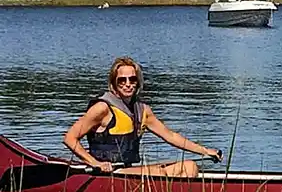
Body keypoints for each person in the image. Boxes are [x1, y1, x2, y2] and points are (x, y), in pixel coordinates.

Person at [63, 56, 222, 177]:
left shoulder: (143, 110)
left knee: (190, 167)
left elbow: (171, 136)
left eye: (132, 79)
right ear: (114, 84)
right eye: (122, 80)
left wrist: (205, 151)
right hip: (107, 173)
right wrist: (95, 163)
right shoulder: (102, 108)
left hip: (129, 170)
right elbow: (70, 138)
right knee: (183, 169)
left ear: (138, 82)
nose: (127, 84)